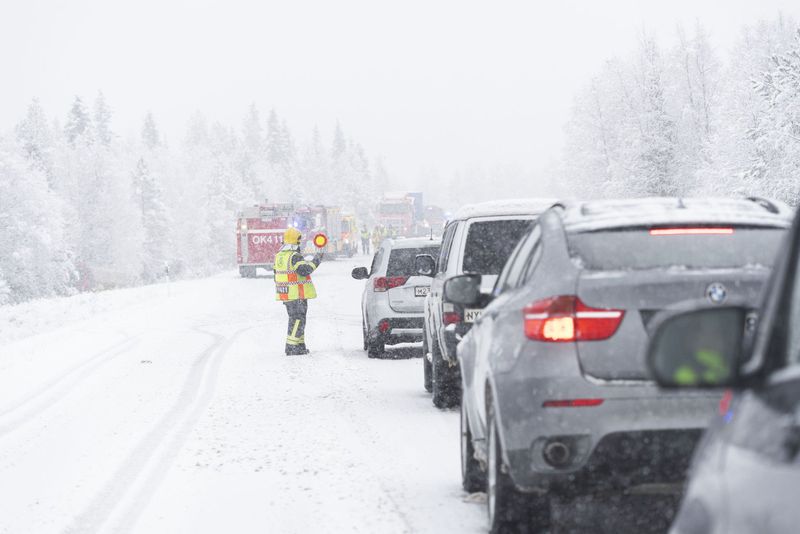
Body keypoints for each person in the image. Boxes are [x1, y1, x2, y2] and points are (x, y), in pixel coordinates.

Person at [274, 227, 323, 355]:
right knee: (297, 320)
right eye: (299, 240)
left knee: (298, 320)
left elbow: (276, 274)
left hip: (286, 294)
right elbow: (305, 270)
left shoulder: (280, 255)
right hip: (296, 295)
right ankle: (291, 347)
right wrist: (317, 259)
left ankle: (299, 345)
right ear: (296, 241)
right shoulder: (294, 256)